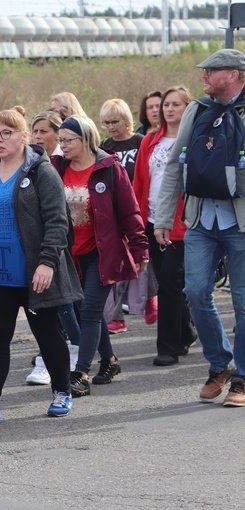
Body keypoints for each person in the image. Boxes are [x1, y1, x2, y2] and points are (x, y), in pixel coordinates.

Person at [0, 106, 82, 425]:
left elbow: (58, 222)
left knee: (48, 335)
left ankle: (62, 391)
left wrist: (47, 263)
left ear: (23, 136)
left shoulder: (41, 171)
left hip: (34, 275)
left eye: (6, 133)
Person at [154, 49, 245, 405]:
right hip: (201, 219)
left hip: (240, 221)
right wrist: (164, 218)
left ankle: (242, 379)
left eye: (212, 70)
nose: (204, 75)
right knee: (194, 291)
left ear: (235, 74)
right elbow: (176, 164)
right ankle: (220, 364)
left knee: (242, 301)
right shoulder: (198, 109)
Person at [54, 115, 149, 397]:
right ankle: (109, 360)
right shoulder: (56, 168)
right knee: (86, 311)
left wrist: (139, 248)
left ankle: (81, 373)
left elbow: (129, 211)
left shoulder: (108, 169)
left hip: (101, 253)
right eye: (60, 141)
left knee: (91, 310)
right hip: (71, 255)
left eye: (67, 140)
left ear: (86, 140)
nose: (62, 146)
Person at [133, 85, 197, 367]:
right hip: (151, 220)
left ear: (188, 108)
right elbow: (138, 183)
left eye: (176, 105)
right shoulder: (149, 140)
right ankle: (186, 331)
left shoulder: (194, 140)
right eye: (166, 105)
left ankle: (168, 347)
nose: (169, 109)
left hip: (180, 224)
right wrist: (135, 221)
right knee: (167, 282)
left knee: (170, 284)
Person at [26, 110, 80, 384]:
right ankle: (47, 360)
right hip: (43, 246)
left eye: (43, 131)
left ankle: (89, 354)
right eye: (34, 131)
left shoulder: (58, 164)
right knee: (56, 310)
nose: (37, 136)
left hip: (69, 245)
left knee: (72, 307)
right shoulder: (28, 164)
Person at [98, 98, 155, 333]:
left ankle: (150, 297)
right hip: (115, 211)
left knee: (143, 256)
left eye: (115, 121)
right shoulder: (104, 145)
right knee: (118, 260)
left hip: (139, 206)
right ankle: (116, 314)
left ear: (126, 120)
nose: (111, 126)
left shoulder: (140, 142)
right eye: (106, 122)